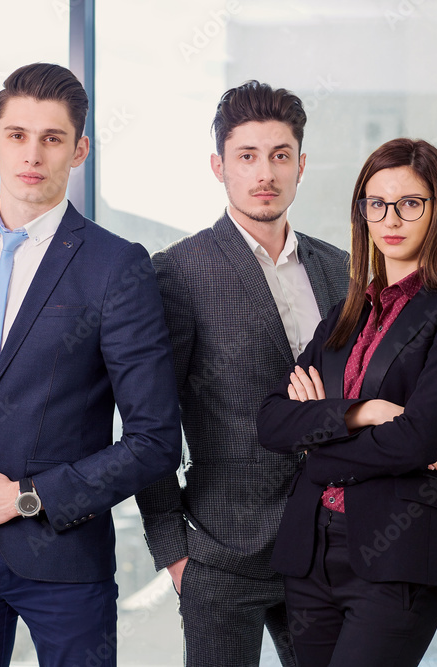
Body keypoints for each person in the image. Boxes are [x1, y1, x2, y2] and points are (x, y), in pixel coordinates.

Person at [0, 63, 181, 667]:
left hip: (61, 554)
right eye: (18, 135)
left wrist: (26, 498)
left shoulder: (115, 266)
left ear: (79, 150)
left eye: (53, 138)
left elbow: (155, 440)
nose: (33, 154)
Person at [257, 138, 437, 666]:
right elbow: (272, 419)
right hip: (311, 553)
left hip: (394, 557)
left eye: (410, 203)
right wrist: (359, 413)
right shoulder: (346, 314)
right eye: (376, 203)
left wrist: (315, 450)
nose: (391, 218)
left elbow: (415, 441)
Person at [134, 80, 349, 667]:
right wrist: (173, 549)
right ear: (218, 166)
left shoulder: (341, 270)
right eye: (247, 156)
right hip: (221, 552)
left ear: (301, 165)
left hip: (327, 546)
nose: (265, 173)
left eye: (280, 156)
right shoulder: (179, 271)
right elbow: (150, 418)